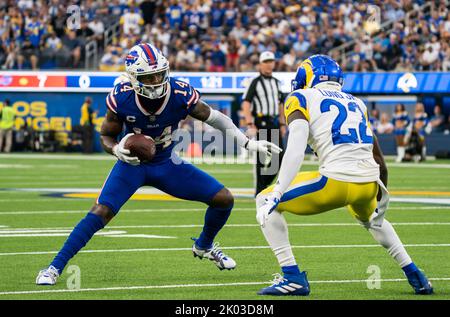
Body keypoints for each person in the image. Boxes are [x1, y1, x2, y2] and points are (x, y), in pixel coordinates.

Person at [36, 43, 281, 285]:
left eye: (159, 74)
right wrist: (117, 150)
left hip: (167, 162)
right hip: (132, 165)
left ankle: (204, 246)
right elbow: (106, 136)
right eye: (147, 76)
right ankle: (54, 267)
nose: (155, 81)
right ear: (133, 77)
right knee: (101, 211)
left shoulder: (179, 92)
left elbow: (216, 119)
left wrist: (247, 144)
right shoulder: (121, 97)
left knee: (224, 199)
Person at [255, 54, 433, 296]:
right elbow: (379, 158)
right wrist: (381, 197)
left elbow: (295, 149)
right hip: (368, 183)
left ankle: (293, 277)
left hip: (334, 183)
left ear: (308, 76)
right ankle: (416, 275)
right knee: (373, 220)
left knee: (264, 201)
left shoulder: (301, 97)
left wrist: (277, 192)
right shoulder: (356, 103)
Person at [241, 51, 286, 195]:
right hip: (261, 122)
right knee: (261, 158)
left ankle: (264, 186)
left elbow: (280, 104)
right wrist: (249, 123)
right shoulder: (254, 82)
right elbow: (246, 103)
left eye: (271, 61)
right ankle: (259, 191)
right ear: (260, 64)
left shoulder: (277, 83)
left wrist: (282, 123)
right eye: (266, 62)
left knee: (279, 156)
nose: (269, 64)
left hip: (274, 122)